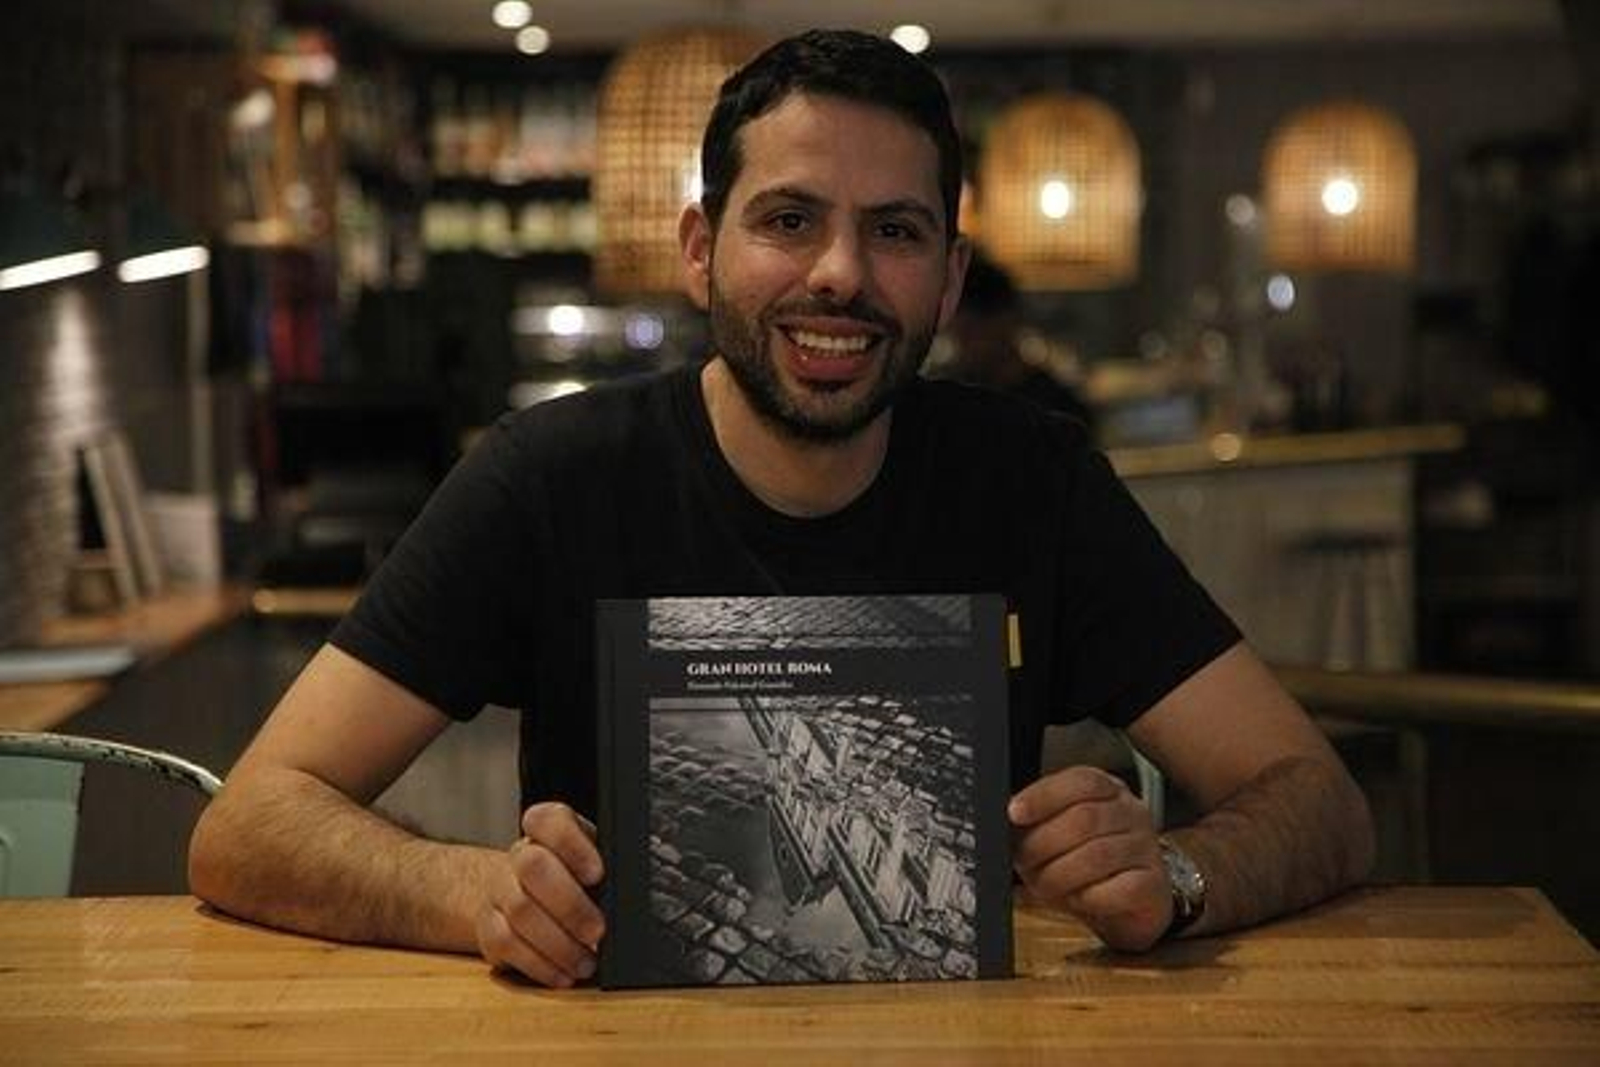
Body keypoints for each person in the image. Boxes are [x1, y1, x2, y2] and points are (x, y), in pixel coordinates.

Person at [189, 29, 1373, 989]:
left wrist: (1176, 872)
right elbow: (248, 824)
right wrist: (474, 891)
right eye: (790, 219)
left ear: (949, 280)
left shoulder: (1036, 482)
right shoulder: (548, 475)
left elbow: (1318, 799)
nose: (841, 276)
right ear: (702, 250)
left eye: (895, 231)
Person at [939, 248, 1095, 427]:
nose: (962, 346)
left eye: (970, 332)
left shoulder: (1053, 407)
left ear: (1006, 322)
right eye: (956, 334)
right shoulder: (951, 400)